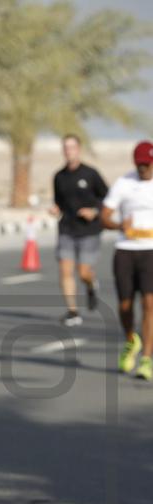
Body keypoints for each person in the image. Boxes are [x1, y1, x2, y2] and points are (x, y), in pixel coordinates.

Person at [101, 140, 153, 381]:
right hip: (125, 250)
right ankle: (132, 340)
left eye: (147, 164)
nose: (143, 168)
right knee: (125, 305)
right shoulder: (124, 183)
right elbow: (104, 216)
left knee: (149, 304)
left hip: (151, 251)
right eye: (140, 164)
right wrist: (120, 225)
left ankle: (147, 359)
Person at [50, 134, 108, 326]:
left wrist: (94, 211)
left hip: (89, 231)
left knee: (83, 272)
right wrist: (55, 209)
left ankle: (91, 284)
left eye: (72, 147)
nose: (69, 151)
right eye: (65, 147)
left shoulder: (91, 174)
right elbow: (58, 201)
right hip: (66, 229)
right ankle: (73, 312)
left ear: (79, 149)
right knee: (65, 270)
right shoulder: (59, 176)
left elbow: (107, 198)